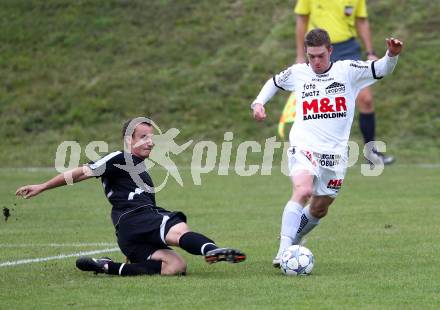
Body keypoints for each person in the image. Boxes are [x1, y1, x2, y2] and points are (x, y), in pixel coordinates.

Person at [16, 117, 246, 276]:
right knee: (176, 227)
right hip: (135, 219)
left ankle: (107, 267)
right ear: (129, 140)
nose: (150, 141)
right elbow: (81, 173)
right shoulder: (119, 158)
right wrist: (43, 186)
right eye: (143, 137)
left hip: (130, 233)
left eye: (151, 137)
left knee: (175, 266)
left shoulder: (139, 167)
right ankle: (211, 250)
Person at [250, 29, 403, 267]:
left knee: (320, 208)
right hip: (304, 145)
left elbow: (381, 69)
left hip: (335, 155)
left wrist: (391, 54)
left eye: (320, 55)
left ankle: (295, 240)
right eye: (311, 56)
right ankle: (283, 251)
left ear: (330, 51)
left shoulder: (348, 71)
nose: (316, 62)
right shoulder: (299, 73)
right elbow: (274, 82)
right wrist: (258, 103)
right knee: (302, 191)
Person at [294, 0, 395, 165]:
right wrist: (300, 55)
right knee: (320, 103)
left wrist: (370, 52)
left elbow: (361, 21)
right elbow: (302, 20)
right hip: (320, 50)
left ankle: (371, 154)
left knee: (366, 100)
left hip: (348, 48)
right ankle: (315, 154)